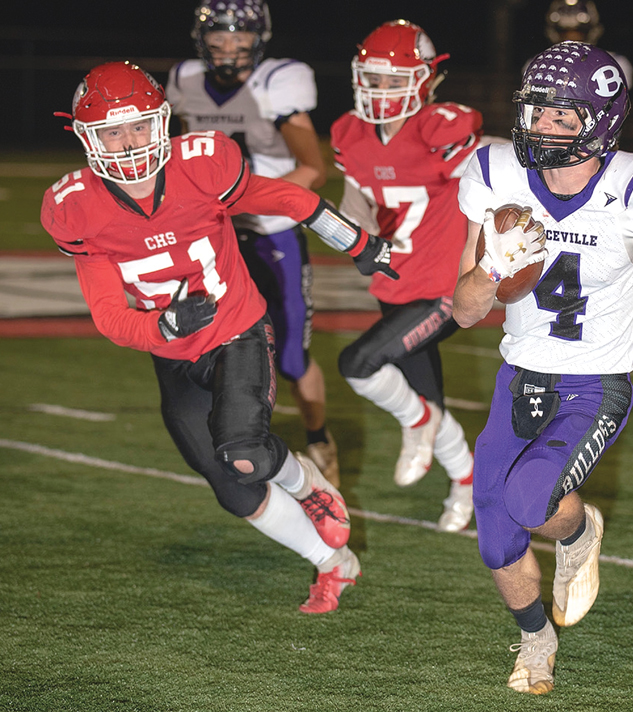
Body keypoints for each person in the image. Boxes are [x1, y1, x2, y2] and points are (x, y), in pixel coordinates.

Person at [41, 61, 398, 614]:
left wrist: (354, 240)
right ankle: (335, 563)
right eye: (113, 131)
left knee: (245, 453)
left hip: (236, 330)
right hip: (172, 351)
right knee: (230, 485)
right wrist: (163, 325)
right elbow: (109, 317)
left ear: (162, 121)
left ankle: (308, 484)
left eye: (138, 125)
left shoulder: (200, 166)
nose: (129, 142)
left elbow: (283, 198)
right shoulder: (76, 208)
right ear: (88, 138)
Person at [453, 42, 633, 693]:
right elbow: (464, 312)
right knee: (494, 534)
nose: (542, 126)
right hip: (519, 378)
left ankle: (578, 531)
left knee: (530, 500)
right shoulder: (497, 174)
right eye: (536, 111)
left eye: (562, 115)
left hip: (593, 384)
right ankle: (535, 639)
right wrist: (491, 267)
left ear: (600, 121)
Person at [166, 0, 339, 486]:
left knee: (291, 356)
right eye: (218, 38)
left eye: (238, 38)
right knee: (211, 339)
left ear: (258, 40)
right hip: (214, 237)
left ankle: (319, 439)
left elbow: (313, 169)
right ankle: (235, 435)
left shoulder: (276, 82)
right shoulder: (185, 79)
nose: (228, 48)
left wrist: (240, 201)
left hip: (270, 231)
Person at [330, 19, 483, 532]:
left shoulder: (441, 128)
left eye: (395, 79)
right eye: (374, 78)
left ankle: (416, 423)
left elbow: (497, 164)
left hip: (443, 289)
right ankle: (466, 482)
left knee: (359, 363)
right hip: (394, 284)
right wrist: (356, 240)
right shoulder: (350, 133)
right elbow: (355, 202)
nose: (381, 89)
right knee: (427, 397)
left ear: (426, 79)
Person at [533, 0, 633, 89]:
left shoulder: (614, 63)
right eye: (565, 33)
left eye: (578, 33)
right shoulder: (537, 63)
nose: (571, 40)